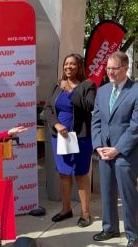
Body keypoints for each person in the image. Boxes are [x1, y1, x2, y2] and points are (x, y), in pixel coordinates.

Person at [91, 51, 138, 247]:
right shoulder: (103, 90)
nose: (110, 72)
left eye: (114, 68)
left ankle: (132, 236)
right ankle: (110, 228)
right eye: (108, 68)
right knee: (106, 191)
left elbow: (136, 127)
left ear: (125, 68)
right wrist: (98, 145)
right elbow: (96, 120)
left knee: (127, 194)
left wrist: (117, 149)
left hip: (126, 153)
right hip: (104, 151)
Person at [42, 53, 96, 227]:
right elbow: (48, 108)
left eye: (72, 64)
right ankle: (66, 209)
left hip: (80, 137)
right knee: (64, 174)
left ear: (80, 66)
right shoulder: (58, 85)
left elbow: (89, 106)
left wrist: (71, 91)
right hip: (60, 137)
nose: (68, 67)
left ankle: (85, 213)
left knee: (81, 175)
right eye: (66, 64)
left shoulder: (88, 85)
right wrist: (56, 125)